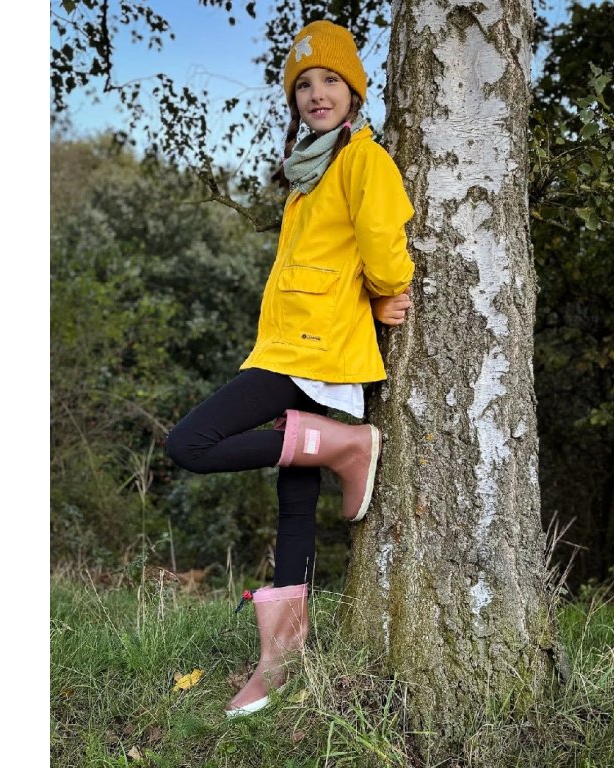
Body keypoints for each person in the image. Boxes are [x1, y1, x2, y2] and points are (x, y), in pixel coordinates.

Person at [165, 19, 415, 718]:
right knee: (295, 499)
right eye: (303, 85)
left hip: (312, 348)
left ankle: (343, 446)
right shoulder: (309, 171)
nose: (316, 94)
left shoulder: (363, 159)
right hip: (295, 343)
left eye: (331, 80)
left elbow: (381, 240)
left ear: (355, 91)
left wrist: (389, 289)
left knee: (189, 443)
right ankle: (282, 657)